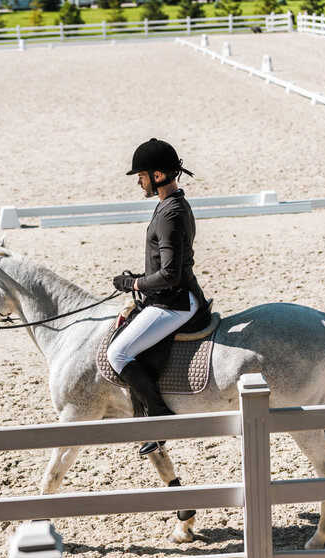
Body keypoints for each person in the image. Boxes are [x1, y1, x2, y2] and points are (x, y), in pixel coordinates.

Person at [107, 138, 210, 456]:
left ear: (157, 175)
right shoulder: (173, 204)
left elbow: (169, 275)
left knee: (118, 353)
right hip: (171, 295)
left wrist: (136, 283)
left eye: (141, 176)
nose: (139, 183)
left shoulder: (169, 214)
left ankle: (160, 415)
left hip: (173, 302)